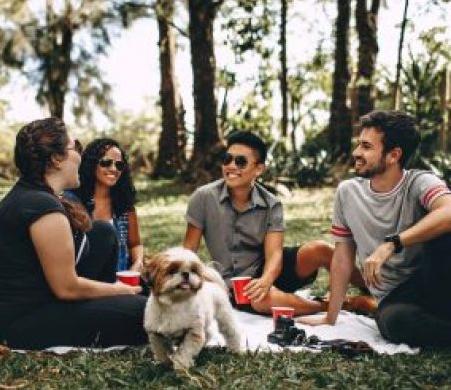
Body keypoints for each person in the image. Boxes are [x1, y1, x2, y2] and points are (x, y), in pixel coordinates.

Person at [0, 118, 147, 350]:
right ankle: (117, 305)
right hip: (18, 322)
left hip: (42, 299)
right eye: (76, 147)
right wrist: (120, 290)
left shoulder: (37, 194)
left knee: (103, 232)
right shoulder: (41, 207)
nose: (81, 155)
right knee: (149, 313)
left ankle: (112, 304)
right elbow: (66, 288)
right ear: (56, 159)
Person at [299, 110, 451, 347]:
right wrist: (331, 316)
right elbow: (342, 257)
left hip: (435, 280)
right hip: (396, 297)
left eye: (366, 147)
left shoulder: (420, 182)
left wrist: (392, 243)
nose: (356, 153)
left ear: (394, 155)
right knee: (394, 322)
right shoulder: (348, 192)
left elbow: (449, 211)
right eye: (359, 144)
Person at [183, 130, 366, 316]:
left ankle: (374, 290)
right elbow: (188, 250)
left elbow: (274, 255)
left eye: (240, 161)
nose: (231, 166)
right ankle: (333, 306)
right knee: (260, 300)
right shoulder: (203, 197)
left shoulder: (271, 204)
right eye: (227, 159)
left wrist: (266, 279)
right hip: (234, 284)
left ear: (259, 169)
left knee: (320, 249)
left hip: (270, 270)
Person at [67, 138, 144, 273]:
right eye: (106, 163)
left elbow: (135, 244)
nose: (114, 169)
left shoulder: (125, 205)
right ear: (91, 164)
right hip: (84, 281)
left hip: (119, 280)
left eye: (119, 165)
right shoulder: (71, 201)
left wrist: (137, 263)